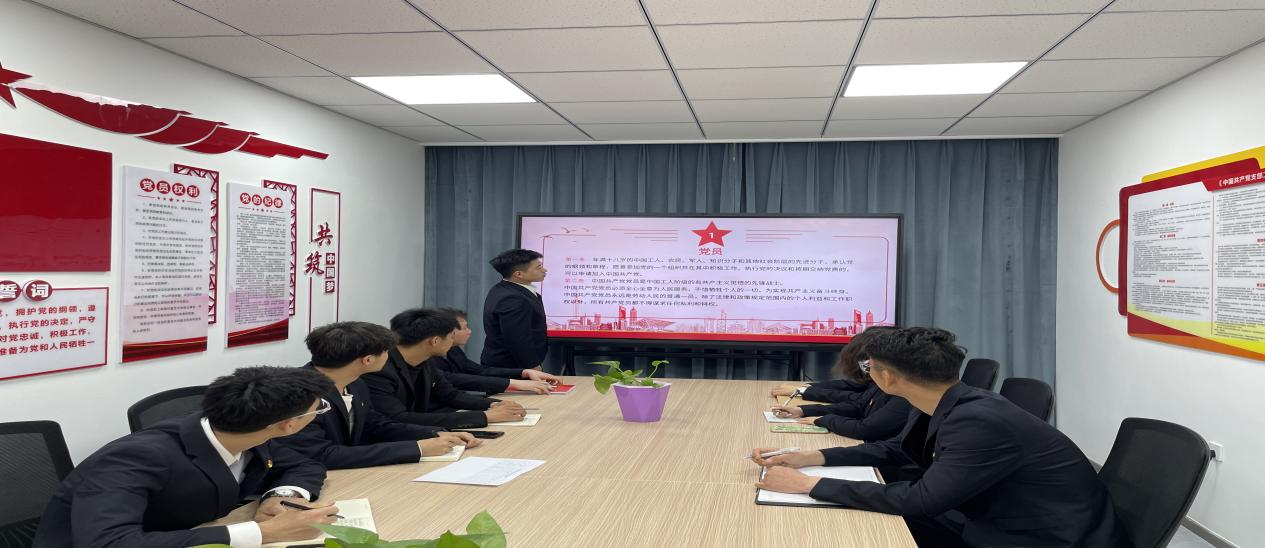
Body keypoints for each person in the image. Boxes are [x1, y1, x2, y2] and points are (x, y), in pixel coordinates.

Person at [751, 328, 1129, 548]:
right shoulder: (945, 398)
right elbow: (898, 449)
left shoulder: (980, 421)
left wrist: (810, 485)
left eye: (869, 367)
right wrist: (813, 457)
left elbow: (922, 500)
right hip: (991, 515)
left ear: (886, 377)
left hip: (1042, 538)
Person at [35, 367, 341, 547]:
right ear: (289, 424)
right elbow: (108, 542)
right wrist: (262, 532)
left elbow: (302, 464)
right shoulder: (137, 457)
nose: (318, 414)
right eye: (318, 410)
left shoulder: (246, 431)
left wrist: (281, 496)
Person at [276, 321, 481, 470]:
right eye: (386, 351)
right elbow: (322, 455)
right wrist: (416, 448)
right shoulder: (298, 396)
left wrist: (433, 434)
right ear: (367, 360)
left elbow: (375, 424)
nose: (390, 355)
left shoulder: (355, 382)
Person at [364, 308, 528, 430]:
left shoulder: (425, 360)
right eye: (451, 337)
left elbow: (450, 395)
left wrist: (494, 404)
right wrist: (484, 416)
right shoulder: (379, 369)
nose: (452, 342)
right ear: (435, 341)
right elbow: (397, 418)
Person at [768, 326, 911, 442]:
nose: (866, 369)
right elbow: (859, 404)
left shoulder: (902, 395)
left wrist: (824, 419)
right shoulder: (881, 384)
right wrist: (803, 410)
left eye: (868, 364)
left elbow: (865, 429)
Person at [433, 307, 560, 395]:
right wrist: (514, 384)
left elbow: (481, 371)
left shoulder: (454, 350)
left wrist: (524, 372)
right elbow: (454, 379)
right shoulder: (430, 357)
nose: (469, 331)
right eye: (465, 328)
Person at [481, 248, 549, 371]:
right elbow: (517, 338)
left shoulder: (504, 289)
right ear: (519, 274)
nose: (544, 270)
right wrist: (532, 366)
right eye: (538, 267)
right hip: (511, 368)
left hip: (514, 365)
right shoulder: (513, 298)